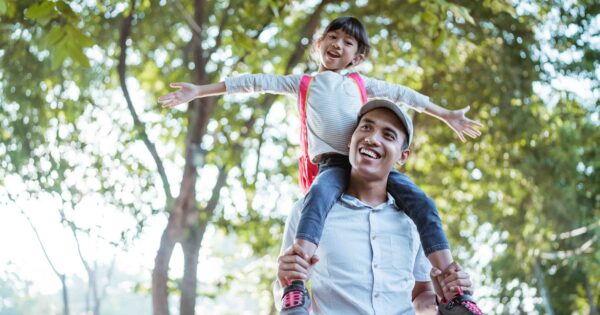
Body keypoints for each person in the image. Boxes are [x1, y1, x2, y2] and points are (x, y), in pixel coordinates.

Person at [159, 16, 483, 315]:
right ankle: (296, 284)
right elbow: (254, 82)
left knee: (423, 204)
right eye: (332, 36)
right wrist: (201, 91)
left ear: (357, 56)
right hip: (332, 166)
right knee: (315, 203)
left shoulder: (361, 84)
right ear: (319, 43)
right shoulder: (304, 84)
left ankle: (455, 291)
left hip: (370, 171)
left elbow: (405, 95)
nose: (338, 44)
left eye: (347, 42)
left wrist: (446, 114)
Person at [275, 99, 481, 315]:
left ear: (403, 156)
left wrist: (444, 300)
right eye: (366, 127)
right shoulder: (306, 211)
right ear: (350, 141)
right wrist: (286, 279)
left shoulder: (415, 221)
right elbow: (288, 295)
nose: (372, 138)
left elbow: (420, 296)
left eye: (388, 135)